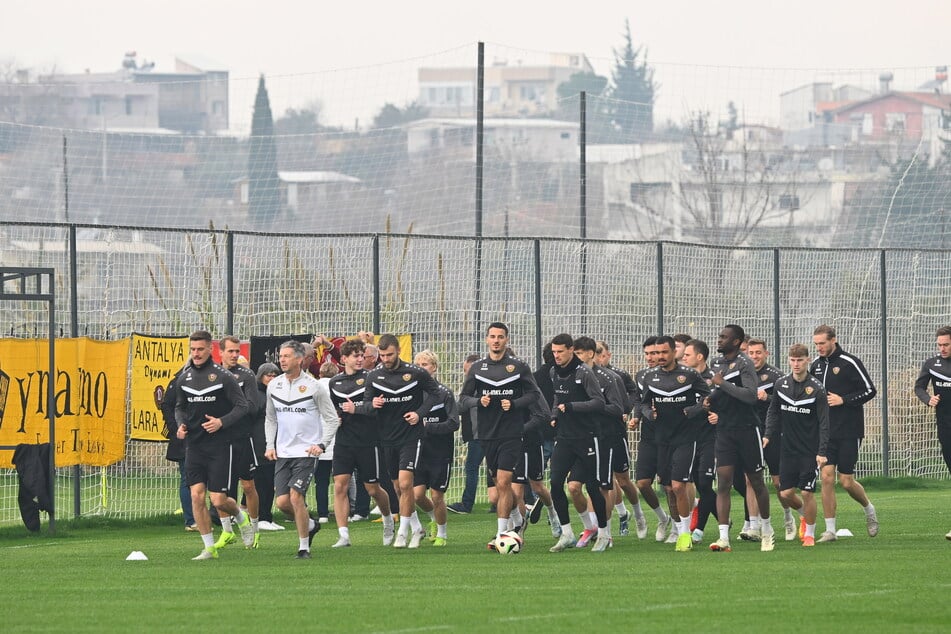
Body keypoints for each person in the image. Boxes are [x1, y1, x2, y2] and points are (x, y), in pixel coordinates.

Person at [458, 322, 542, 548]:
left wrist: (514, 403)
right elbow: (462, 400)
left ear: (507, 340)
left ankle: (500, 535)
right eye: (492, 336)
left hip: (512, 432)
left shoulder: (518, 367)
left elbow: (533, 395)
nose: (496, 340)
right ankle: (518, 520)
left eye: (500, 337)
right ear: (487, 340)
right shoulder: (477, 368)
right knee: (499, 486)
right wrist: (478, 401)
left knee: (505, 481)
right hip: (486, 434)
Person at [174, 330, 253, 560]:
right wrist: (181, 425)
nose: (196, 353)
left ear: (211, 350)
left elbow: (243, 407)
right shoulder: (185, 377)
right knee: (197, 496)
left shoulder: (222, 376)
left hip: (220, 445)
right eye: (193, 349)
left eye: (200, 349)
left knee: (218, 499)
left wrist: (221, 422)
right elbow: (179, 406)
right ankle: (209, 547)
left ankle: (241, 517)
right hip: (194, 446)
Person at [359, 333, 442, 549]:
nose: (386, 359)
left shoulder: (415, 373)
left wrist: (420, 413)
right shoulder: (374, 376)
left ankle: (403, 533)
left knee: (407, 484)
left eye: (390, 354)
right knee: (398, 488)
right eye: (383, 355)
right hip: (387, 438)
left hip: (411, 436)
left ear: (398, 351)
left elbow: (435, 395)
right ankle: (417, 528)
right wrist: (373, 405)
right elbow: (366, 406)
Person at [264, 340, 339, 559]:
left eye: (287, 356)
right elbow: (270, 418)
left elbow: (332, 419)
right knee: (282, 503)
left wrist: (322, 444)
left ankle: (303, 547)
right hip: (283, 453)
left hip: (307, 452)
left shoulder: (314, 386)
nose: (282, 360)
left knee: (296, 497)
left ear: (299, 359)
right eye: (281, 356)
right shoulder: (274, 385)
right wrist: (270, 445)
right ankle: (312, 523)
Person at [704, 324, 774, 552]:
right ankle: (723, 536)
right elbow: (719, 391)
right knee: (723, 482)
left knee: (756, 481)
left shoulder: (744, 363)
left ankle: (766, 530)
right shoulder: (716, 363)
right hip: (725, 430)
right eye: (720, 336)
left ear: (736, 342)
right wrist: (709, 400)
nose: (719, 339)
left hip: (747, 429)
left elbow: (751, 396)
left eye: (724, 337)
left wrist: (721, 384)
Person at [638, 335, 710, 552]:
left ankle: (685, 534)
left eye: (664, 352)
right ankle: (678, 528)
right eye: (656, 353)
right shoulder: (650, 377)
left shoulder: (689, 375)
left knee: (679, 486)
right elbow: (642, 403)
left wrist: (694, 410)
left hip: (687, 438)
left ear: (673, 353)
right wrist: (648, 413)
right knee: (669, 487)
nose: (660, 356)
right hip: (662, 440)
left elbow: (708, 398)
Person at [810, 324, 879, 542]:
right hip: (826, 433)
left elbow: (870, 390)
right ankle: (830, 530)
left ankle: (869, 509)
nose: (819, 348)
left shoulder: (849, 362)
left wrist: (844, 400)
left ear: (834, 340)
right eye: (816, 344)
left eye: (822, 343)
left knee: (846, 481)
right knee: (826, 477)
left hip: (850, 431)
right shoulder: (816, 366)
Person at [546, 333, 611, 553]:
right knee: (555, 483)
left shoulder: (584, 372)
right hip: (565, 438)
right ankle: (567, 533)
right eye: (554, 352)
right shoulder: (554, 372)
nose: (556, 356)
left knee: (593, 486)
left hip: (588, 437)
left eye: (560, 351)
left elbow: (599, 403)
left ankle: (603, 534)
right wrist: (554, 415)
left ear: (571, 350)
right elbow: (557, 398)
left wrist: (573, 407)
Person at [328, 339, 396, 547]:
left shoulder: (372, 378)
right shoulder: (334, 382)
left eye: (361, 355)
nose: (360, 359)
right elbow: (333, 409)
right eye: (355, 356)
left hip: (368, 441)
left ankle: (388, 519)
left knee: (373, 489)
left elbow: (379, 408)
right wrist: (336, 417)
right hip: (344, 442)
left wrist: (358, 409)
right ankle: (344, 535)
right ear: (344, 359)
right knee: (340, 486)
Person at [764, 344, 830, 547]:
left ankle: (809, 534)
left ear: (807, 360)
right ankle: (803, 515)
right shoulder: (781, 385)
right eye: (793, 360)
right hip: (787, 449)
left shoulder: (817, 388)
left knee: (807, 492)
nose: (796, 364)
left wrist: (822, 451)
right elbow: (773, 412)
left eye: (800, 360)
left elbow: (824, 422)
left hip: (809, 451)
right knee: (785, 493)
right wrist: (767, 435)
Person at [596, 340, 648, 539]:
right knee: (604, 482)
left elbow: (634, 392)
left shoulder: (617, 375)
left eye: (601, 354)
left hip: (616, 433)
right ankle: (606, 529)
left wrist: (626, 410)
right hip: (596, 435)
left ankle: (638, 514)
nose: (598, 358)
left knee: (623, 480)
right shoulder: (585, 376)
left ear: (607, 355)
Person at [746, 337, 796, 541]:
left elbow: (789, 401)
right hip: (749, 432)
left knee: (778, 483)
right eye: (751, 353)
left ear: (766, 353)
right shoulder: (742, 374)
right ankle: (754, 526)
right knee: (750, 479)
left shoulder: (776, 376)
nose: (754, 356)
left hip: (773, 434)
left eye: (758, 352)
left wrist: (767, 398)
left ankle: (788, 517)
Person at [215, 335, 261, 550]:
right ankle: (227, 531)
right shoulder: (212, 375)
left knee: (248, 485)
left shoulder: (247, 375)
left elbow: (252, 407)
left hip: (242, 438)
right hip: (219, 441)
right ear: (220, 352)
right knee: (219, 489)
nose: (235, 355)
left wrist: (227, 415)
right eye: (230, 351)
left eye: (237, 351)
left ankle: (255, 529)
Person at [412, 350, 460, 547]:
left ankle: (442, 533)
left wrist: (429, 426)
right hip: (418, 450)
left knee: (437, 495)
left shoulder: (444, 393)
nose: (422, 368)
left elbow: (454, 423)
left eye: (426, 364)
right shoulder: (412, 393)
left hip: (440, 452)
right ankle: (433, 518)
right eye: (419, 365)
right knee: (416, 495)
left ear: (434, 368)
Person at [630, 336, 673, 542]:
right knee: (642, 483)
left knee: (669, 486)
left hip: (672, 436)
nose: (650, 357)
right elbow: (639, 401)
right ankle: (662, 518)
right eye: (647, 354)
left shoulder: (678, 375)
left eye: (654, 353)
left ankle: (679, 526)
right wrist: (637, 417)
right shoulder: (642, 375)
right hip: (649, 437)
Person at [915, 326, 951, 539]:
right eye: (939, 345)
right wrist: (929, 399)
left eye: (946, 344)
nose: (942, 348)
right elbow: (919, 387)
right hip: (945, 426)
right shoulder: (932, 364)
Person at [681, 339, 716, 544]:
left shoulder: (712, 378)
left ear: (699, 357)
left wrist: (718, 415)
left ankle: (699, 530)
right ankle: (723, 519)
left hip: (710, 437)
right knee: (697, 483)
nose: (683, 358)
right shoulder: (683, 378)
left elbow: (714, 403)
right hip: (689, 438)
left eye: (687, 355)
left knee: (704, 482)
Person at [448, 354, 486, 515]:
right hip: (484, 434)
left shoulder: (477, 389)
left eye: (467, 371)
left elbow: (463, 406)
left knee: (471, 467)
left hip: (480, 436)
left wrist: (446, 408)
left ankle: (467, 503)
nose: (465, 375)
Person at [161, 368, 196, 531]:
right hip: (184, 439)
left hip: (204, 437)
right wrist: (175, 428)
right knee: (187, 478)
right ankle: (191, 520)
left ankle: (211, 516)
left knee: (207, 479)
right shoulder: (178, 380)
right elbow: (166, 404)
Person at [253, 363, 283, 531]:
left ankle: (267, 516)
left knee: (271, 481)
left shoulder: (276, 394)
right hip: (260, 444)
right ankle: (261, 517)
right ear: (261, 376)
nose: (271, 379)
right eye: (268, 375)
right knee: (261, 482)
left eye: (274, 375)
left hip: (275, 443)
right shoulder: (257, 395)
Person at [313, 361, 342, 526]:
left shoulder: (314, 386)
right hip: (337, 441)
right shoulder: (338, 386)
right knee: (342, 480)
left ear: (321, 373)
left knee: (321, 480)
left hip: (319, 441)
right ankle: (355, 511)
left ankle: (322, 513)